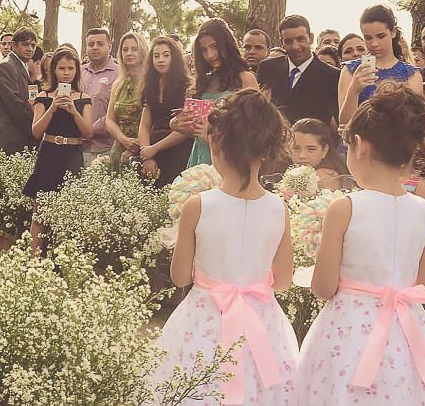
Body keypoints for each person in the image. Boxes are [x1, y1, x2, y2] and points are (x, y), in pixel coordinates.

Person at [298, 83, 425, 405]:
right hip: (408, 331)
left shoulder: (345, 207)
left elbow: (324, 287)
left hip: (349, 331)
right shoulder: (419, 208)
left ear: (358, 145)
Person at [149, 90, 298, 404]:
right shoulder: (278, 208)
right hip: (262, 321)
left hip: (203, 322)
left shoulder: (197, 205)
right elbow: (284, 281)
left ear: (214, 143)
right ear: (267, 151)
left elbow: (179, 278)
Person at [25, 47, 93, 253]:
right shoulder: (43, 96)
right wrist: (52, 108)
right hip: (48, 155)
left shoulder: (83, 97)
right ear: (53, 70)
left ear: (76, 70)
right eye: (61, 68)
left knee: (70, 213)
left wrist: (73, 110)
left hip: (72, 155)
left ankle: (63, 261)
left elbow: (88, 133)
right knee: (40, 213)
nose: (66, 72)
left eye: (71, 68)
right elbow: (36, 131)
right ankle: (33, 262)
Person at [177, 18, 258, 169]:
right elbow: (193, 127)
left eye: (215, 47)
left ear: (227, 44)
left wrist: (215, 136)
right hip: (199, 157)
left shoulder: (245, 78)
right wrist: (178, 123)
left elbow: (255, 127)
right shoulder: (203, 81)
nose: (210, 55)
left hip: (230, 160)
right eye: (204, 50)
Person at [338, 5, 422, 126]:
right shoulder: (350, 70)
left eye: (381, 36)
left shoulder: (412, 74)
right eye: (368, 38)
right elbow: (344, 122)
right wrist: (354, 90)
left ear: (393, 32)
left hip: (396, 141)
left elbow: (415, 121)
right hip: (357, 141)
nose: (374, 44)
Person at [257, 15, 341, 133]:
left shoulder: (332, 76)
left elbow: (336, 121)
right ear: (282, 42)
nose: (295, 46)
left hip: (309, 145)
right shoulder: (267, 68)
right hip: (272, 143)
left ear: (311, 38)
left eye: (300, 39)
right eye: (289, 41)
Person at [137, 37, 194, 187]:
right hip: (152, 151)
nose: (161, 59)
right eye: (156, 56)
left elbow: (186, 129)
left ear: (174, 58)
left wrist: (154, 149)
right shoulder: (150, 86)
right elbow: (144, 126)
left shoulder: (187, 86)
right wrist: (146, 156)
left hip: (178, 151)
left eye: (166, 55)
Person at [0, 28, 39, 155]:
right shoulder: (6, 66)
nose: (30, 49)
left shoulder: (23, 65)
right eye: (25, 44)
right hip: (8, 139)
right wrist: (37, 128)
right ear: (14, 45)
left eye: (33, 45)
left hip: (19, 138)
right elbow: (15, 105)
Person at [105, 32, 147, 172]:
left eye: (134, 49)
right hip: (119, 149)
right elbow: (109, 120)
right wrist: (123, 139)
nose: (129, 53)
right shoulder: (118, 84)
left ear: (142, 51)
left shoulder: (152, 83)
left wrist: (137, 145)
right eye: (125, 49)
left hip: (144, 150)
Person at [81, 27, 119, 165]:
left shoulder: (119, 74)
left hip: (104, 150)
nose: (95, 48)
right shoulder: (78, 72)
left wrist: (88, 131)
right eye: (91, 44)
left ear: (109, 46)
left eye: (100, 44)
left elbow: (116, 110)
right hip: (77, 147)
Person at [290, 118, 349, 190]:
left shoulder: (323, 177)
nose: (302, 155)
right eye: (296, 148)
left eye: (311, 149)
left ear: (324, 150)